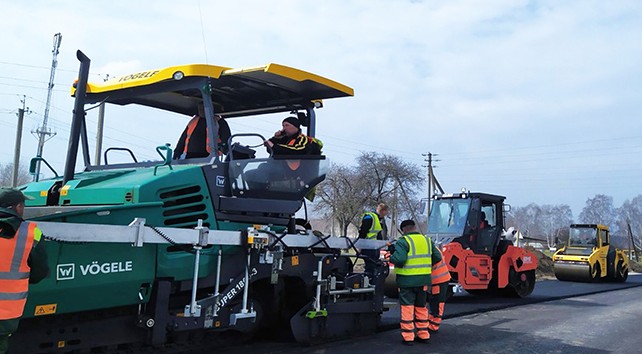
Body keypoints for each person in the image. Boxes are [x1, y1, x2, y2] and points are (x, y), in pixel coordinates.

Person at [0, 188, 49, 354]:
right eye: (23, 205)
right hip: (5, 316)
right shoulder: (31, 232)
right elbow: (39, 273)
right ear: (17, 207)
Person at [389, 219, 441, 345]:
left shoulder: (403, 241)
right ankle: (423, 334)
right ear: (413, 227)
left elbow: (400, 260)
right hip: (423, 280)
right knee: (421, 307)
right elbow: (438, 257)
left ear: (404, 230)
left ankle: (408, 337)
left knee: (407, 308)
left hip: (407, 281)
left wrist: (391, 256)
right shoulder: (427, 240)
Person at [358, 203, 389, 275]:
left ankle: (370, 280)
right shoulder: (370, 217)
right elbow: (363, 232)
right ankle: (368, 280)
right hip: (368, 246)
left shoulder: (377, 219)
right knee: (370, 267)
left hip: (373, 247)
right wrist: (360, 246)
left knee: (373, 267)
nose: (385, 215)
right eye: (385, 213)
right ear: (383, 211)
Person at [427, 245, 451, 333]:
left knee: (437, 302)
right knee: (434, 301)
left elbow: (437, 258)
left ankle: (434, 326)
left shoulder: (429, 247)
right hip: (438, 279)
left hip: (439, 279)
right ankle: (431, 322)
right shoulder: (430, 246)